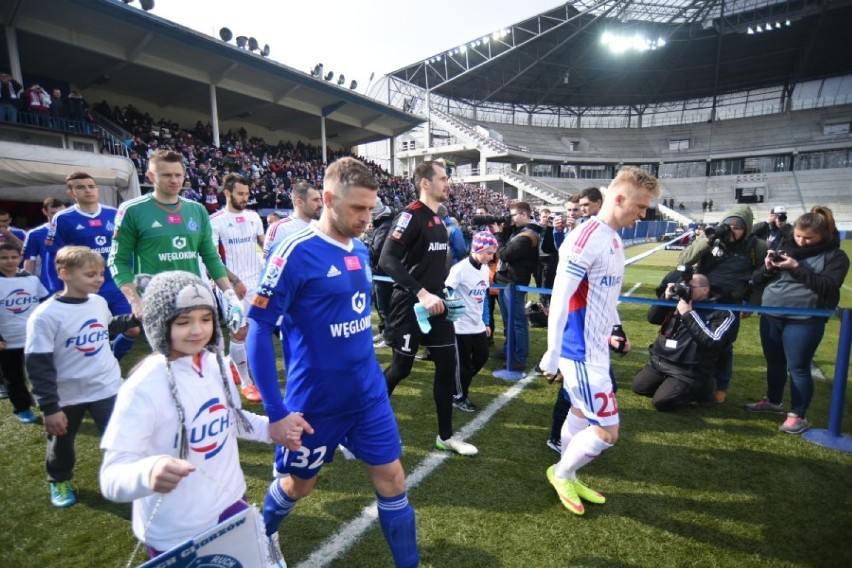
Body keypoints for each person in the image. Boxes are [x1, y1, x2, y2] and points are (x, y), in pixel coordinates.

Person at [246, 157, 420, 568]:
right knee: (298, 486)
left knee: (394, 480)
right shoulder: (294, 252)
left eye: (371, 209)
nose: (367, 218)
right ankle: (259, 538)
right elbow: (258, 331)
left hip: (368, 393)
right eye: (358, 209)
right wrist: (275, 413)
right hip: (315, 403)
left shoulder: (359, 248)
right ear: (327, 200)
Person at [99, 271, 275, 560]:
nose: (197, 330)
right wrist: (148, 472)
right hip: (176, 530)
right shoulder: (143, 385)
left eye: (205, 319)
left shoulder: (216, 363)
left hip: (231, 505)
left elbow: (232, 419)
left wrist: (274, 430)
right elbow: (111, 477)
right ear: (159, 324)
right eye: (183, 322)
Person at [539, 166, 660, 515]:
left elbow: (604, 296)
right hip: (581, 353)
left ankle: (569, 472)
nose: (642, 214)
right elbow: (560, 297)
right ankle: (562, 473)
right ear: (619, 198)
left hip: (595, 349)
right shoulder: (585, 236)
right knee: (608, 432)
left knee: (579, 413)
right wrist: (552, 351)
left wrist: (615, 329)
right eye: (640, 207)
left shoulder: (612, 237)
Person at [25, 247, 136, 508]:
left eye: (100, 273)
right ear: (64, 274)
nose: (98, 279)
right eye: (90, 274)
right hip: (67, 395)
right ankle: (60, 480)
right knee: (61, 443)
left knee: (121, 437)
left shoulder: (98, 302)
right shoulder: (45, 315)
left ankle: (126, 479)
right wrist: (49, 407)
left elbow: (105, 328)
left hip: (107, 387)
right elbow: (37, 365)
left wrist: (130, 320)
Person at [380, 160, 477, 456]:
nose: (448, 183)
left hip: (437, 306)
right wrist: (421, 292)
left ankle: (445, 437)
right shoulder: (410, 217)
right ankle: (366, 423)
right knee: (401, 368)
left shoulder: (439, 221)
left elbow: (430, 265)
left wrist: (441, 293)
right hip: (410, 305)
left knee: (448, 366)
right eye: (443, 178)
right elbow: (387, 260)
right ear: (425, 182)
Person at [108, 150, 245, 332]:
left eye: (178, 175)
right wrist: (135, 300)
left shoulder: (197, 210)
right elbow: (117, 261)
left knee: (201, 356)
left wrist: (230, 295)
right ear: (151, 176)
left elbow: (211, 257)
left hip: (194, 299)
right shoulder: (132, 210)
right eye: (166, 175)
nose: (174, 180)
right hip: (157, 303)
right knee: (170, 358)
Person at [746, 206, 850, 433]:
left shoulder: (836, 256)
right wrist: (767, 267)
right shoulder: (783, 246)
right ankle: (773, 401)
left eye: (808, 238)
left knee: (799, 368)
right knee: (774, 363)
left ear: (823, 235)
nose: (801, 241)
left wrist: (796, 267)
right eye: (798, 236)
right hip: (771, 314)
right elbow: (756, 280)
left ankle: (798, 414)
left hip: (805, 319)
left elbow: (827, 286)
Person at [678, 205, 767, 403]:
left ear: (747, 229)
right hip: (702, 297)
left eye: (738, 227)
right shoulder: (711, 237)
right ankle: (690, 382)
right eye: (729, 225)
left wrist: (752, 304)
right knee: (695, 338)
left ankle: (721, 386)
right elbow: (684, 259)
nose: (731, 230)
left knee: (724, 346)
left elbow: (762, 278)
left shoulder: (757, 247)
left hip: (730, 301)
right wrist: (708, 240)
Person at [47, 172, 140, 360]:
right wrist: (58, 287)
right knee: (92, 333)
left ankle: (112, 361)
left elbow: (127, 249)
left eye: (91, 186)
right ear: (71, 192)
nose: (87, 190)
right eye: (80, 187)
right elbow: (56, 256)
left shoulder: (113, 214)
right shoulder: (63, 219)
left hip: (115, 284)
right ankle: (97, 367)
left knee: (133, 330)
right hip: (85, 287)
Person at [631, 273, 736, 411]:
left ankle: (704, 389)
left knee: (662, 403)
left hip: (689, 369)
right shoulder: (677, 300)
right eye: (682, 285)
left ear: (705, 289)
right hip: (661, 360)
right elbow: (653, 319)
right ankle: (671, 384)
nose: (685, 289)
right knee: (639, 387)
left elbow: (712, 341)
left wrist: (688, 313)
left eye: (689, 286)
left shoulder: (722, 312)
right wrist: (666, 298)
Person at [209, 173, 265, 402]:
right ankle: (246, 382)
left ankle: (233, 363)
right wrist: (234, 281)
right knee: (239, 332)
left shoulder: (254, 217)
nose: (245, 198)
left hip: (256, 284)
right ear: (227, 193)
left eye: (247, 194)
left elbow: (264, 246)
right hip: (230, 286)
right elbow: (211, 256)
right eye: (241, 194)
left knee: (252, 331)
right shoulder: (216, 221)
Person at [445, 231, 496, 412]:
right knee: (464, 365)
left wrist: (487, 322)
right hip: (460, 326)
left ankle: (456, 383)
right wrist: (454, 312)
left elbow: (485, 297)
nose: (491, 257)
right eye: (488, 252)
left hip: (478, 325)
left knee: (482, 357)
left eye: (493, 253)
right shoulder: (459, 268)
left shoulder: (484, 269)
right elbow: (446, 292)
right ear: (477, 249)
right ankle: (458, 396)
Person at [0, 241, 48, 424]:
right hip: (8, 341)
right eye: (4, 258)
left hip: (34, 338)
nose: (10, 261)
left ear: (20, 257)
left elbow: (45, 304)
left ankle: (46, 402)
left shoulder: (31, 279)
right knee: (14, 378)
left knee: (41, 373)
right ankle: (22, 408)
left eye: (14, 257)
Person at [494, 201, 541, 371]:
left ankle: (520, 357)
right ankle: (508, 350)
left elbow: (505, 254)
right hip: (505, 281)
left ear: (524, 215)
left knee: (518, 322)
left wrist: (498, 237)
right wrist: (505, 227)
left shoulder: (528, 236)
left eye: (514, 215)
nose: (511, 219)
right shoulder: (520, 232)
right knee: (508, 321)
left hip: (513, 282)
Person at [261, 180, 322, 260]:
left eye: (320, 200)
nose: (321, 204)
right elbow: (267, 262)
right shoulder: (280, 228)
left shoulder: (321, 227)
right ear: (300, 203)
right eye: (315, 200)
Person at [23, 197, 66, 295]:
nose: (57, 217)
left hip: (76, 281)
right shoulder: (35, 233)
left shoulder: (76, 230)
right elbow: (30, 260)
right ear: (44, 212)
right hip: (49, 283)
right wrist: (27, 284)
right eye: (53, 213)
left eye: (61, 213)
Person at [369, 201, 395, 348]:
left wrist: (367, 250)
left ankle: (388, 336)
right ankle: (384, 330)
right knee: (381, 304)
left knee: (384, 305)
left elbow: (377, 250)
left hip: (383, 272)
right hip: (381, 272)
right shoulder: (384, 224)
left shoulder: (385, 225)